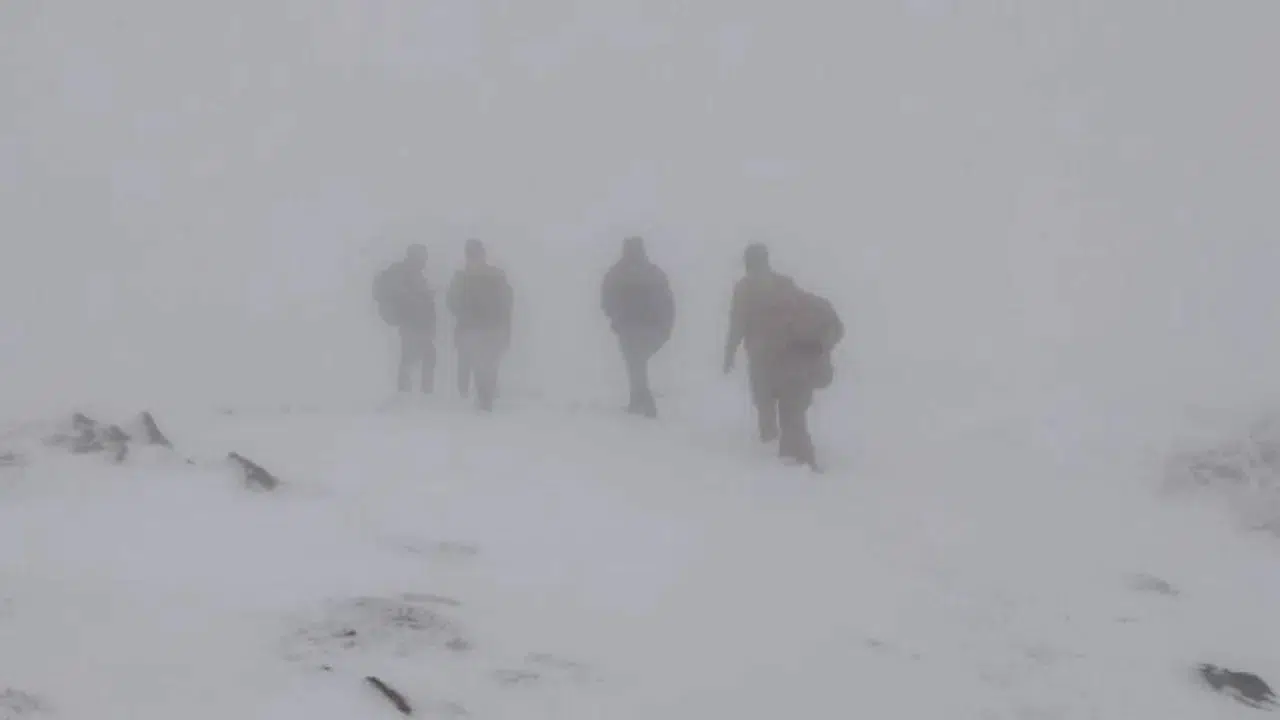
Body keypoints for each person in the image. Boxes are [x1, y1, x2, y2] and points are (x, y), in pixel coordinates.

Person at [723, 243, 843, 469]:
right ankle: (790, 456)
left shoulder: (745, 288)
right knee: (792, 406)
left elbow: (737, 324)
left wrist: (729, 354)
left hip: (765, 357)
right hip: (794, 356)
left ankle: (777, 452)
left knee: (767, 404)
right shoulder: (785, 283)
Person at [601, 236, 675, 418]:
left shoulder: (617, 272)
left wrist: (615, 318)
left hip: (629, 328)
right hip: (651, 328)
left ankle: (645, 402)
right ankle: (637, 401)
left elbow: (606, 299)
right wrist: (666, 328)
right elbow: (668, 303)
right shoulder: (654, 272)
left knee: (634, 363)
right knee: (636, 363)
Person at [446, 239, 513, 411]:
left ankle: (484, 399)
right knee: (482, 364)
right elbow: (506, 303)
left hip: (482, 328)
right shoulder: (493, 275)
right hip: (479, 329)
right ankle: (484, 399)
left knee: (485, 364)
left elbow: (452, 303)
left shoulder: (465, 277)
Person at [373, 244, 437, 395]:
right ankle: (412, 392)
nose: (425, 260)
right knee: (417, 357)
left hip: (417, 323)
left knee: (418, 356)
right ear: (415, 256)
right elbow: (403, 294)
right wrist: (420, 297)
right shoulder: (404, 272)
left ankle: (410, 391)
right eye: (423, 256)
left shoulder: (414, 273)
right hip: (412, 322)